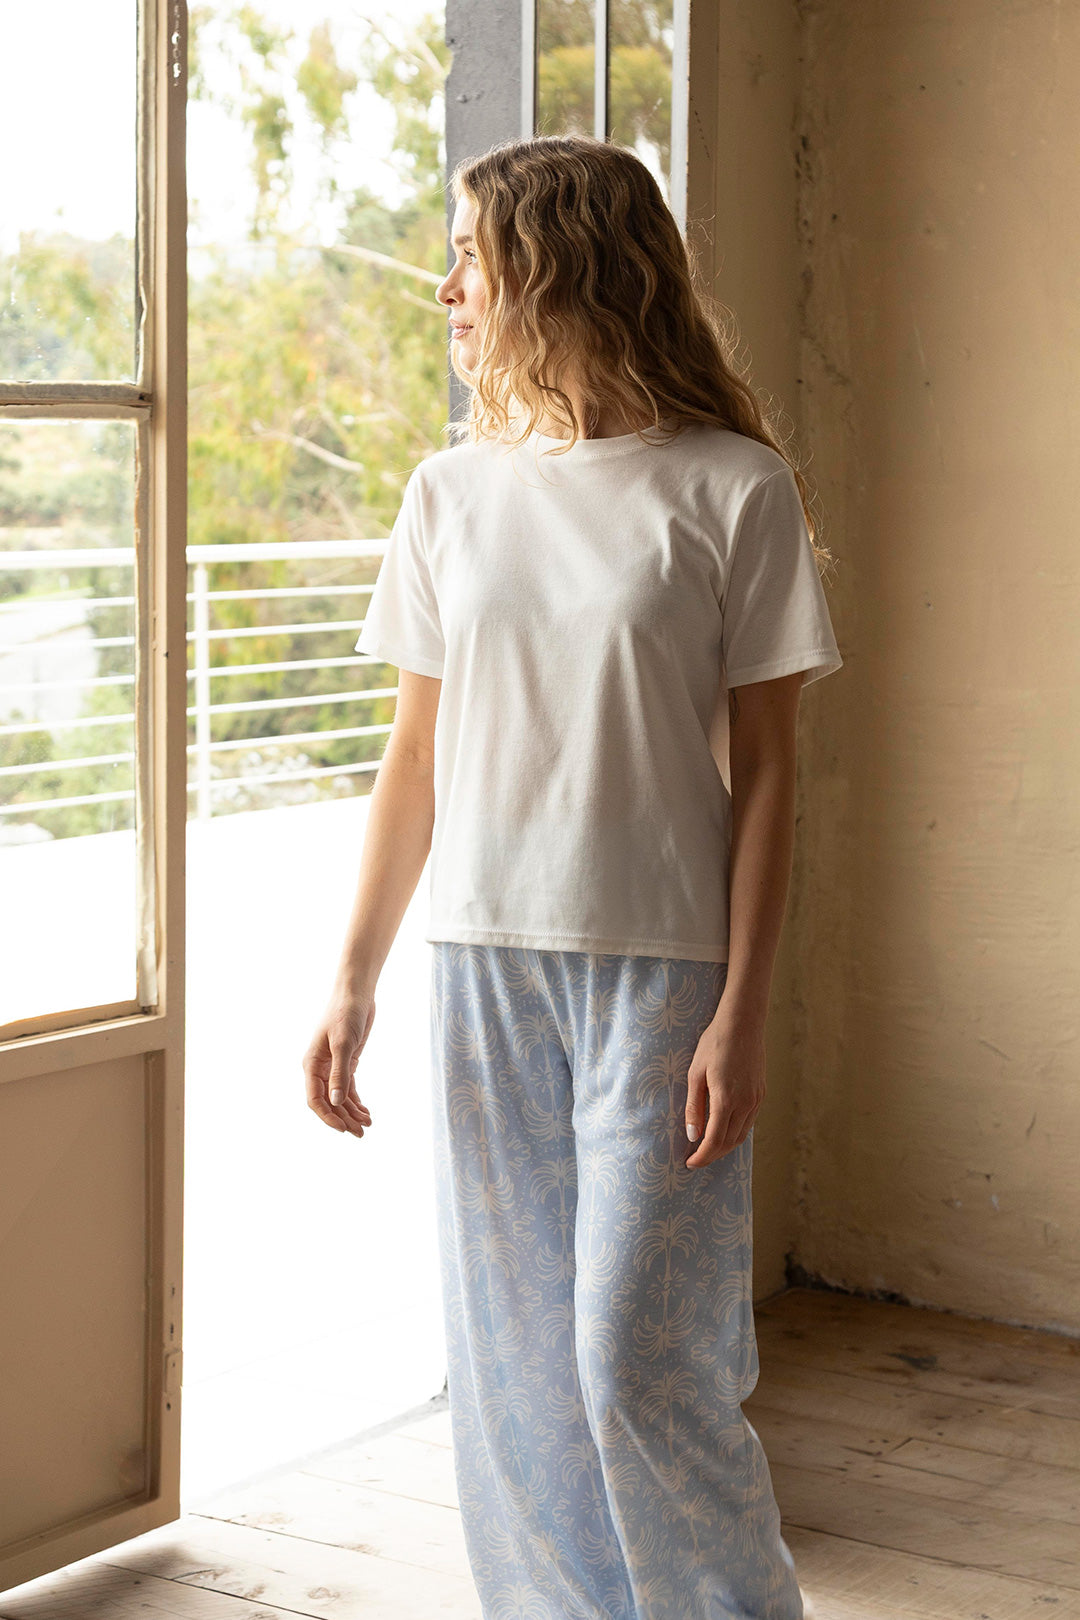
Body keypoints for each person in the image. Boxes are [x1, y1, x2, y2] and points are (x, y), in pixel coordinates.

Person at [302, 133, 840, 1620]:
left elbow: (770, 772)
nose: (448, 289)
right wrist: (353, 979)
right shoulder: (451, 493)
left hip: (664, 977)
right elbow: (415, 756)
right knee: (517, 1372)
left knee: (637, 1366)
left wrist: (744, 1010)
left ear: (558, 266)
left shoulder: (732, 489)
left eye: (470, 257)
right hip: (483, 964)